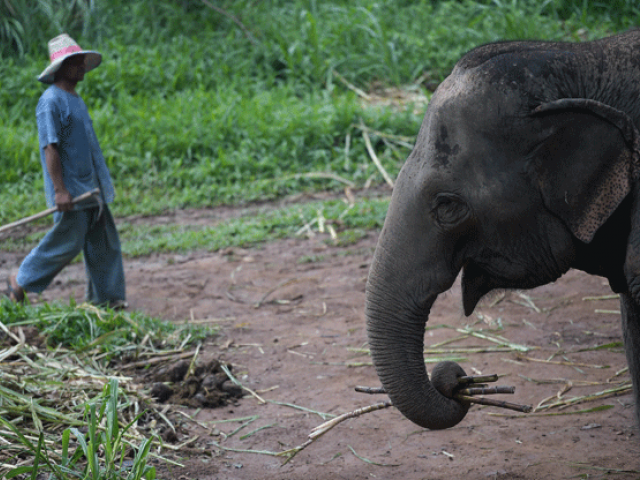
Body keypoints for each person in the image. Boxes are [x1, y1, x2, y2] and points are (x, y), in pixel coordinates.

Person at [6, 34, 126, 308]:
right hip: (72, 190)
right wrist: (60, 190)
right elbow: (51, 147)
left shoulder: (75, 99)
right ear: (60, 67)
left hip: (91, 187)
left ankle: (107, 299)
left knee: (104, 242)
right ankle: (20, 280)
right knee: (67, 242)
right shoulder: (51, 101)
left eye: (81, 60)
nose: (82, 65)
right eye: (75, 61)